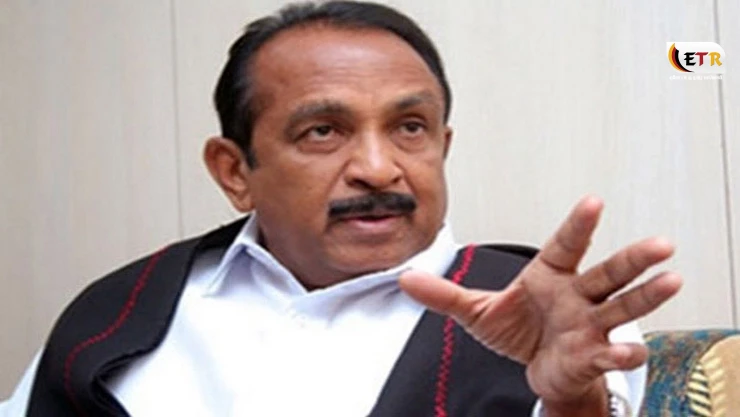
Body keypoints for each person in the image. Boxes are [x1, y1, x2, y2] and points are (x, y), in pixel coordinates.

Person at [0, 1, 682, 416]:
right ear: (235, 171)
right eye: (323, 131)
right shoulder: (118, 314)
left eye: (410, 127)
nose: (379, 167)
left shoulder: (551, 318)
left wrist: (572, 401)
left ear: (443, 146)